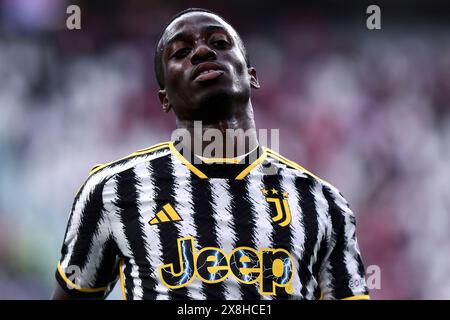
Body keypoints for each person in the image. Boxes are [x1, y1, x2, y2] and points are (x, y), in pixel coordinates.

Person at [52, 8, 369, 300]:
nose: (203, 51)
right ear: (165, 99)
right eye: (182, 52)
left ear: (252, 76)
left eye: (218, 42)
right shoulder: (112, 191)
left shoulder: (323, 202)